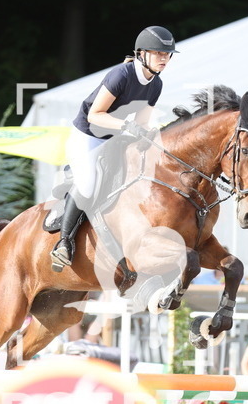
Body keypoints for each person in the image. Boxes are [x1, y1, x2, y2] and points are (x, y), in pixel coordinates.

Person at [50, 26, 178, 270]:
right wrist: (127, 125)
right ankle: (63, 243)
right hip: (87, 136)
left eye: (167, 54)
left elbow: (142, 122)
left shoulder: (156, 84)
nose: (164, 58)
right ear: (141, 53)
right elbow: (95, 115)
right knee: (88, 183)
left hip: (115, 138)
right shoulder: (121, 74)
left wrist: (153, 133)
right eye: (158, 53)